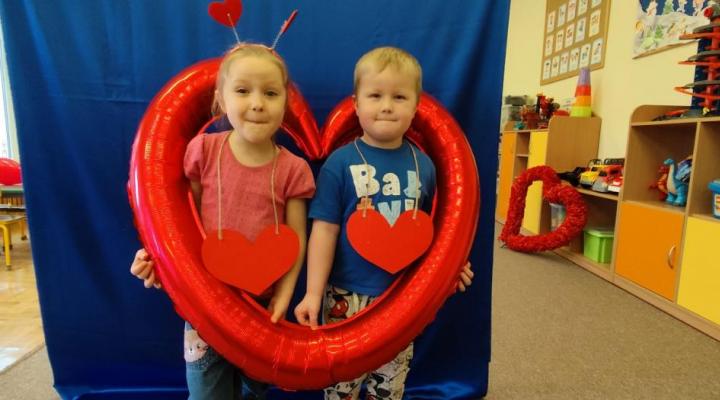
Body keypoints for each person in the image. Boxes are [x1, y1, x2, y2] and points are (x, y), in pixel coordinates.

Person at [130, 43, 315, 400]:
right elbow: (179, 223)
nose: (257, 103)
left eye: (270, 93)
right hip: (205, 311)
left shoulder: (293, 170)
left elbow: (297, 237)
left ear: (286, 103)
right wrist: (156, 260)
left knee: (252, 393)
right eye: (243, 91)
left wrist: (285, 294)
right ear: (220, 100)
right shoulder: (203, 151)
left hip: (260, 312)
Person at [294, 46, 473, 400]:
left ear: (416, 107)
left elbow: (435, 233)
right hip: (345, 296)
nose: (387, 106)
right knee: (341, 384)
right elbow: (324, 231)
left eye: (399, 97)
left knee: (389, 386)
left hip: (401, 298)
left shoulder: (425, 166)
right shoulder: (339, 164)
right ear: (356, 104)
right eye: (375, 96)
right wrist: (313, 293)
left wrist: (454, 264)